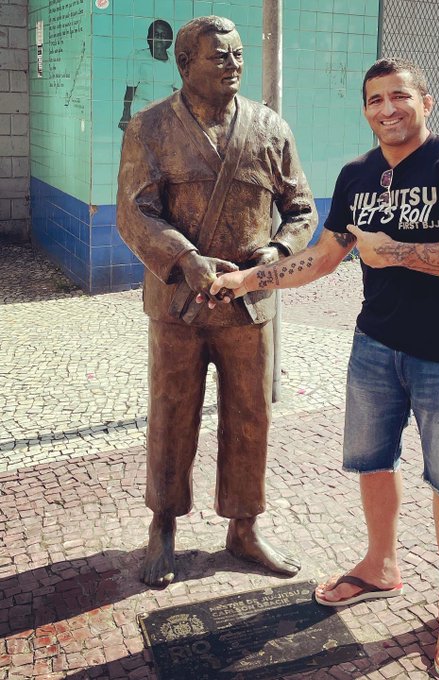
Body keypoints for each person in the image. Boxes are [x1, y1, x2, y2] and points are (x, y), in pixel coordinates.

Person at [203, 58, 439, 678]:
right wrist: (246, 280)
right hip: (374, 347)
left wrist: (394, 252)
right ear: (365, 110)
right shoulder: (357, 176)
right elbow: (322, 257)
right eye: (375, 100)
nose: (387, 109)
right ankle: (381, 566)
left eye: (399, 97)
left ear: (426, 102)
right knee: (371, 462)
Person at [117, 16, 317, 588]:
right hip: (179, 303)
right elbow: (135, 210)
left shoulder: (270, 129)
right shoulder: (151, 128)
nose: (232, 64)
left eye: (237, 55)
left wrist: (276, 251)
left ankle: (244, 527)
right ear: (185, 65)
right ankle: (163, 525)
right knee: (172, 412)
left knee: (251, 416)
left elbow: (301, 209)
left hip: (248, 307)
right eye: (218, 57)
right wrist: (184, 258)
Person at [118, 19, 178, 131]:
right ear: (148, 38)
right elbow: (130, 89)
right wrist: (126, 115)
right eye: (156, 34)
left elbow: (177, 91)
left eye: (163, 34)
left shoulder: (174, 61)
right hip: (142, 111)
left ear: (170, 39)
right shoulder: (137, 57)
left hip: (166, 112)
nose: (159, 37)